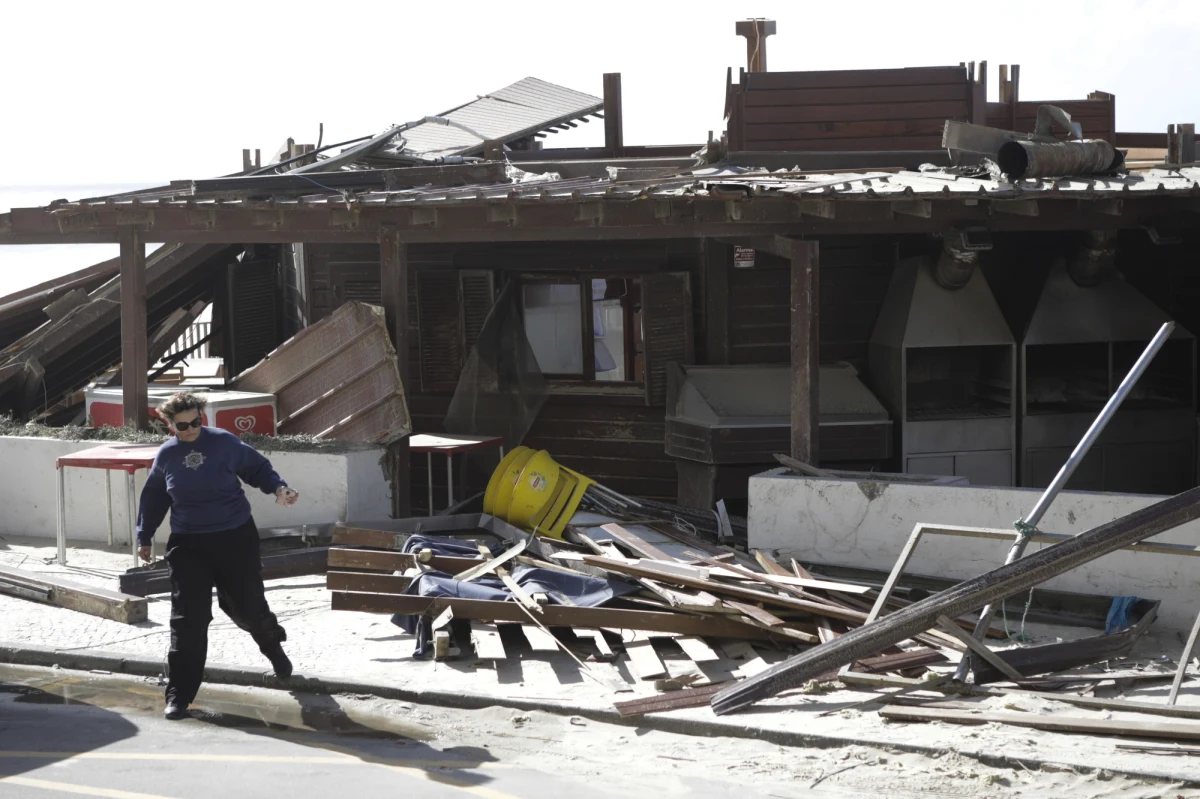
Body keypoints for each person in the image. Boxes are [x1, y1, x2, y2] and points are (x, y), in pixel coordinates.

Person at [136, 391, 300, 720]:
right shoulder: (166, 456)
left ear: (203, 416)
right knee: (189, 619)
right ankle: (179, 695)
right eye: (183, 426)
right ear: (170, 426)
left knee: (246, 607)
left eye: (197, 421)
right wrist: (144, 535)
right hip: (188, 544)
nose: (191, 429)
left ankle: (272, 645)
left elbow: (258, 469)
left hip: (234, 537)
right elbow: (154, 496)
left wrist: (278, 488)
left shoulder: (224, 443)